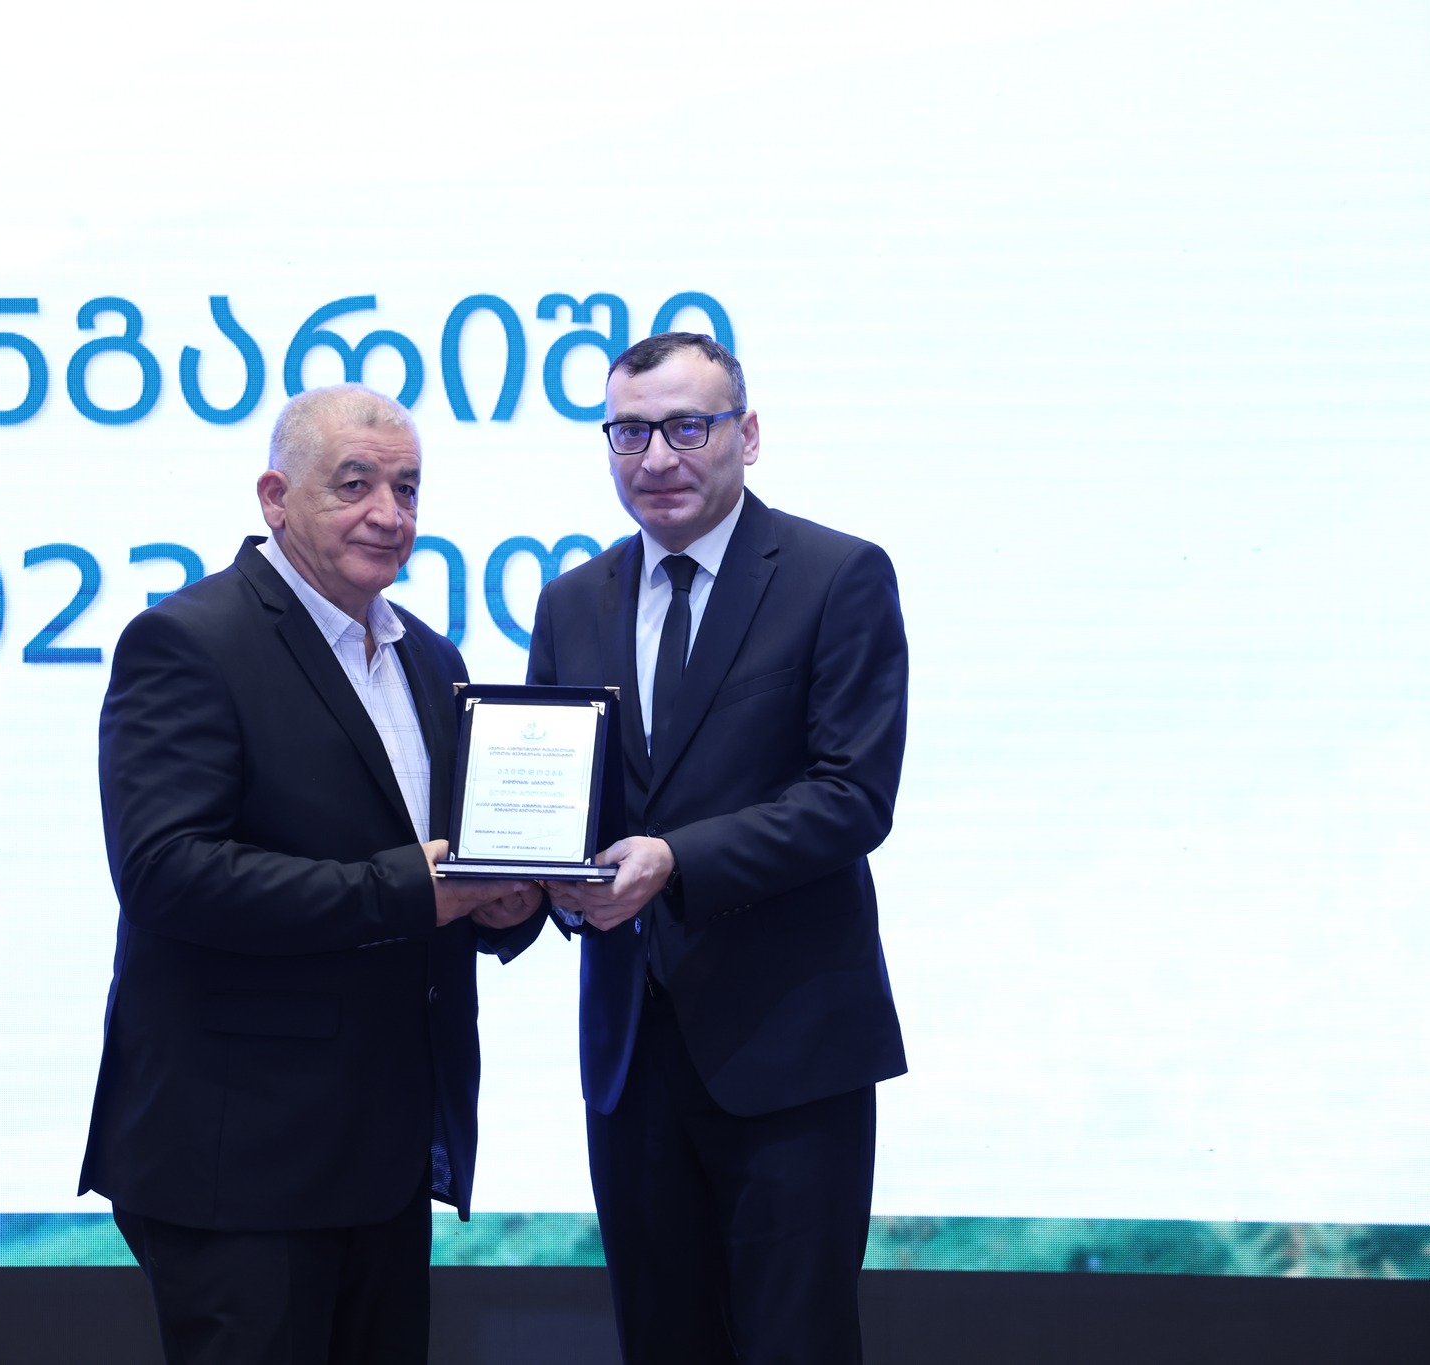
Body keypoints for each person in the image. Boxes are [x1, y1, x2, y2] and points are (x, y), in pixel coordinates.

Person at [80, 384, 541, 1365]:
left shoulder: (430, 660)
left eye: (407, 489)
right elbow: (166, 872)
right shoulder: (189, 641)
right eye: (354, 484)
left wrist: (502, 903)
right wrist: (412, 888)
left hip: (383, 1154)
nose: (388, 513)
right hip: (239, 1161)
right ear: (274, 497)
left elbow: (442, 869)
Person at [531, 333, 909, 1364]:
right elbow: (559, 806)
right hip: (630, 1055)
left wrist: (675, 860)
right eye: (629, 432)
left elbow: (851, 796)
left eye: (686, 428)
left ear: (747, 435)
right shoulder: (572, 601)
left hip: (789, 1051)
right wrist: (533, 882)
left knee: (794, 1342)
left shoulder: (834, 576)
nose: (656, 457)